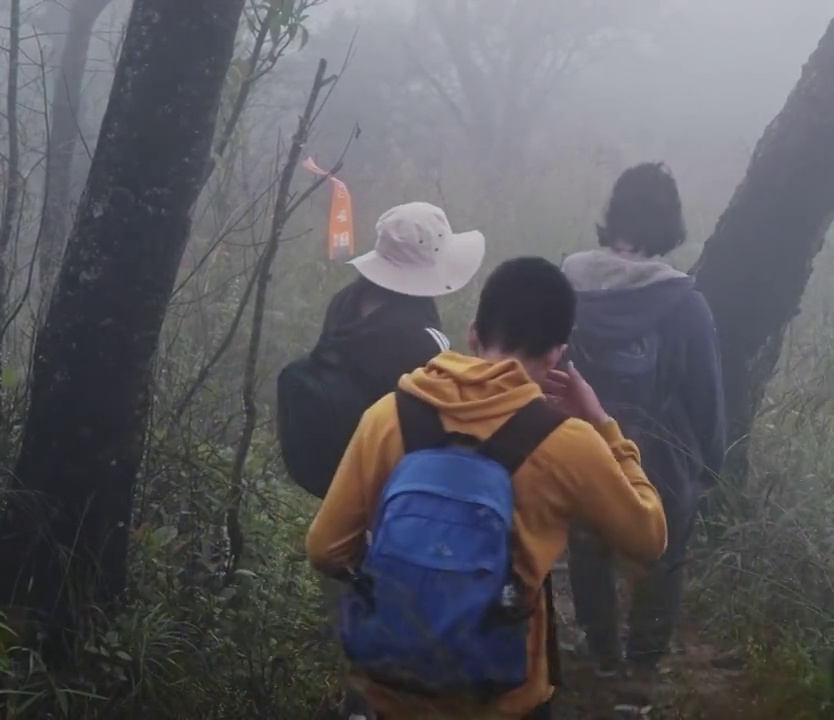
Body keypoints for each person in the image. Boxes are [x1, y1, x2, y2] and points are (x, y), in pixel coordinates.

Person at [306, 256, 669, 720]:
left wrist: (400, 582)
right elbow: (649, 537)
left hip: (392, 693)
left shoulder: (387, 416)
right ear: (557, 354)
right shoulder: (569, 442)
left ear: (474, 332)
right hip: (504, 699)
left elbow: (325, 548)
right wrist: (603, 424)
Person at [275, 201, 485, 720]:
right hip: (394, 509)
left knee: (356, 634)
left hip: (340, 495)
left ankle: (358, 706)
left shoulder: (344, 306)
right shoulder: (423, 340)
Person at [560, 162, 726, 714]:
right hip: (660, 455)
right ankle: (639, 679)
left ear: (613, 217)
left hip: (582, 448)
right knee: (663, 557)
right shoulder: (683, 303)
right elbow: (706, 394)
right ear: (670, 226)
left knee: (587, 547)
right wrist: (711, 466)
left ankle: (601, 652)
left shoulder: (566, 286)